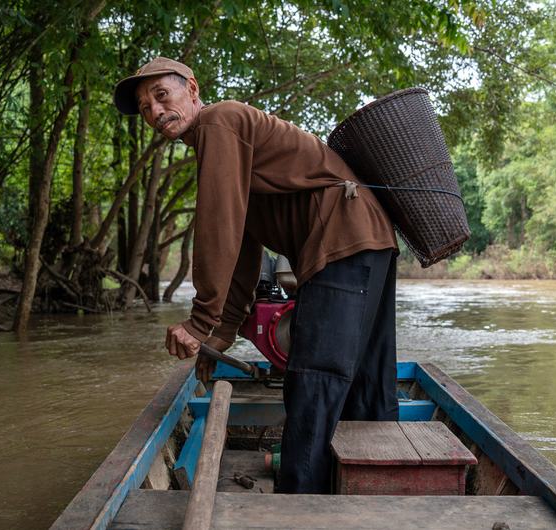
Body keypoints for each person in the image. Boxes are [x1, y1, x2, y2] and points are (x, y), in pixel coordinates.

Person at [113, 57, 399, 494]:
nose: (154, 111)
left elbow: (218, 226)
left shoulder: (219, 122)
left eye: (160, 95)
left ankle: (297, 503)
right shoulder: (220, 140)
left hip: (341, 238)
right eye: (144, 106)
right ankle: (384, 483)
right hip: (368, 239)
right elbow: (245, 246)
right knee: (368, 375)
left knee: (315, 376)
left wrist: (198, 321)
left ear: (192, 88)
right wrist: (220, 333)